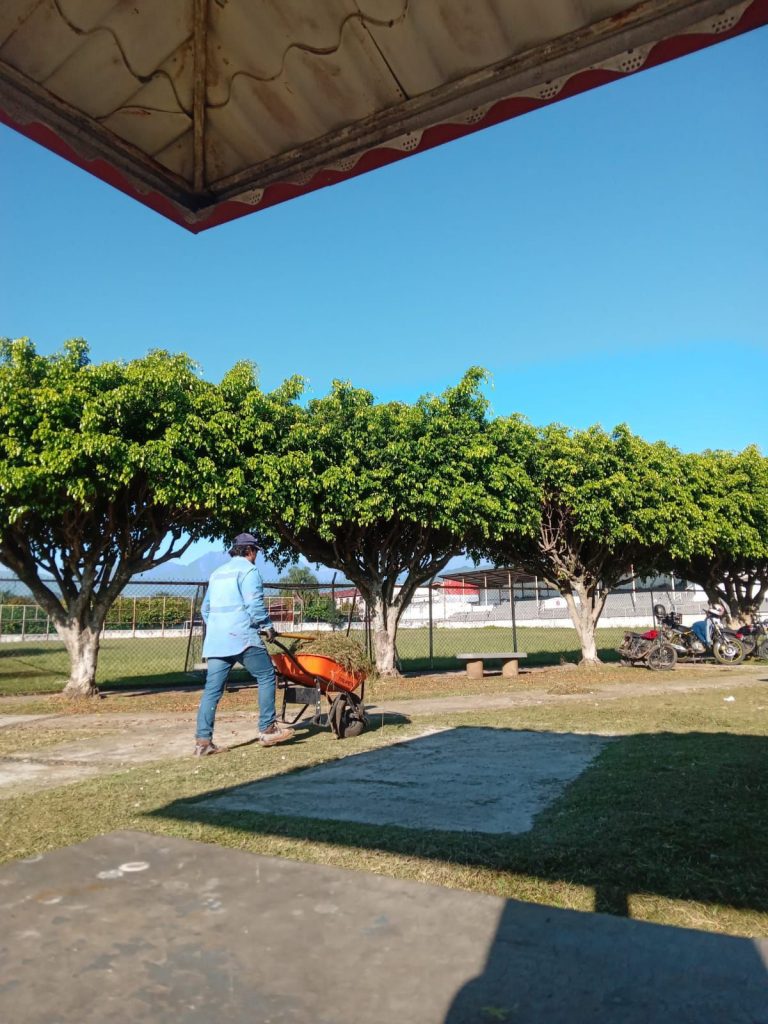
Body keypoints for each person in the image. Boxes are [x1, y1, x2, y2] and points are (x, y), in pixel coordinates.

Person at [194, 533, 295, 756]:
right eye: (256, 551)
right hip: (242, 638)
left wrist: (220, 626)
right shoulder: (249, 571)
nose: (256, 555)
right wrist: (267, 626)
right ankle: (268, 729)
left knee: (212, 690)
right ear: (249, 550)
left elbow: (205, 609)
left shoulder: (217, 573)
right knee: (266, 675)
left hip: (217, 641)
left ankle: (203, 742)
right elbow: (254, 605)